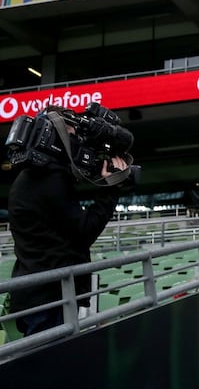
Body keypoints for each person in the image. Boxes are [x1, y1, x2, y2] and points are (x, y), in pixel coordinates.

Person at [8, 105, 129, 336]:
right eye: (73, 134)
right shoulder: (50, 179)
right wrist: (111, 188)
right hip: (48, 299)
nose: (77, 142)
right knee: (48, 367)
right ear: (54, 136)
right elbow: (84, 232)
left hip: (38, 294)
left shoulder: (30, 177)